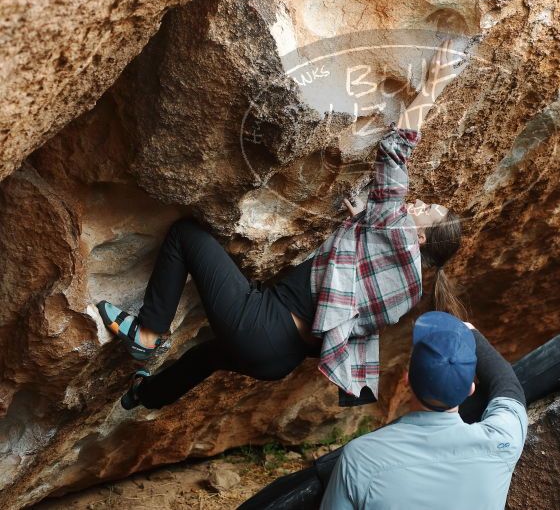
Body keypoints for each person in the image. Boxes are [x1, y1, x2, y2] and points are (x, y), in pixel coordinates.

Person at [96, 39, 467, 410]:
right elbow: (350, 300)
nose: (418, 203)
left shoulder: (396, 230)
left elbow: (395, 150)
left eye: (427, 209)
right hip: (280, 358)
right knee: (206, 357)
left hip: (264, 325)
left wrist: (432, 85)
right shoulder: (407, 290)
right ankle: (142, 395)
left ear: (419, 236)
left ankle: (146, 334)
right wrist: (361, 226)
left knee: (185, 236)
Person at [320, 311, 528, 510]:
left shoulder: (359, 459)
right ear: (470, 389)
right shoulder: (502, 443)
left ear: (406, 379)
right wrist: (472, 334)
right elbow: (508, 385)